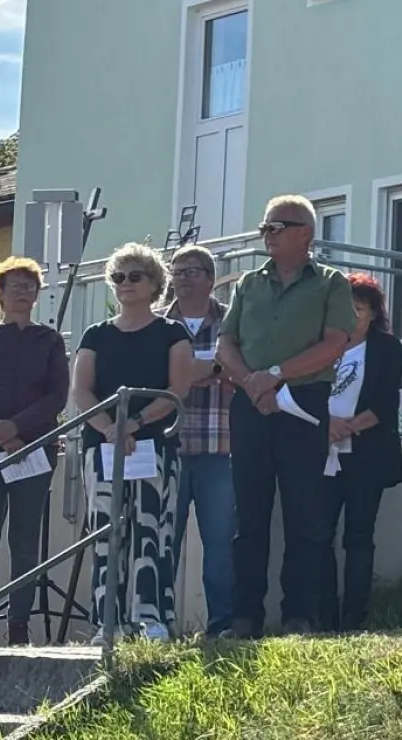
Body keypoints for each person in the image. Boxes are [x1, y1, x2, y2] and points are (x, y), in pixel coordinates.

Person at [216, 196, 356, 638]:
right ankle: (244, 617)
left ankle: (300, 615)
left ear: (305, 234)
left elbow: (335, 343)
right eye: (264, 227)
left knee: (304, 513)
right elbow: (225, 344)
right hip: (250, 402)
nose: (267, 235)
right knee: (249, 514)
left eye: (275, 227)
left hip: (304, 401)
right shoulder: (248, 284)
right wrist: (252, 383)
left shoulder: (331, 283)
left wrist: (275, 375)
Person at [70, 243, 194, 641]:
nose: (125, 283)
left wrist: (133, 424)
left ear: (155, 283)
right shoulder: (96, 334)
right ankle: (108, 623)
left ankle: (151, 617)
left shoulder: (172, 332)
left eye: (135, 276)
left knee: (152, 530)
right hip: (103, 446)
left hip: (153, 444)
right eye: (118, 277)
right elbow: (81, 390)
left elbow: (177, 389)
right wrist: (111, 427)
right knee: (107, 533)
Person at [0, 258, 68, 646]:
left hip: (35, 447)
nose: (23, 292)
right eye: (15, 286)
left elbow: (57, 396)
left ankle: (19, 626)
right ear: (0, 294)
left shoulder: (50, 340)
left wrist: (18, 428)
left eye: (30, 286)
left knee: (25, 540)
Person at [317, 274, 402, 632]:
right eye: (346, 308)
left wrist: (348, 426)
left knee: (358, 535)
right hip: (322, 452)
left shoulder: (386, 347)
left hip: (366, 454)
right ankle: (324, 617)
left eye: (360, 308)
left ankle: (355, 616)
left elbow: (386, 402)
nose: (352, 315)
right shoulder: (320, 345)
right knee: (319, 535)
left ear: (373, 313)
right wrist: (326, 425)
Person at [161, 245, 236, 637]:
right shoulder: (158, 325)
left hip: (221, 447)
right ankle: (158, 624)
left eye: (192, 271)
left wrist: (200, 370)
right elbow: (155, 376)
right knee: (163, 543)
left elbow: (246, 369)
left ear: (210, 278)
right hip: (167, 449)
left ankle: (222, 625)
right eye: (177, 271)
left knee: (221, 544)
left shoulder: (232, 321)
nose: (183, 278)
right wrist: (207, 370)